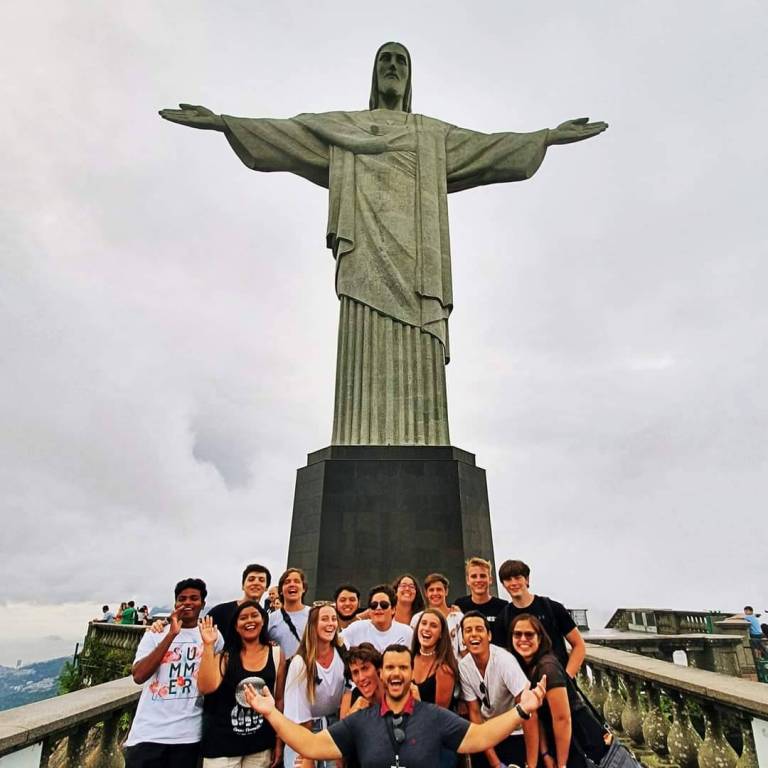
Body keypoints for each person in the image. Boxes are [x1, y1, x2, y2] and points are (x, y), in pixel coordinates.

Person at [160, 43, 607, 447]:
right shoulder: (343, 128)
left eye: (401, 61)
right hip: (365, 257)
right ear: (374, 73)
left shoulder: (431, 135)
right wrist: (222, 123)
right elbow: (285, 135)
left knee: (419, 346)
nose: (392, 67)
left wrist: (547, 137)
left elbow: (489, 149)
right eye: (385, 60)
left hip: (419, 265)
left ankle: (422, 438)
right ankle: (358, 435)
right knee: (362, 337)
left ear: (409, 77)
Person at [243, 644, 547, 768]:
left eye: (403, 667)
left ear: (411, 673)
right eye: (390, 667)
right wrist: (271, 712)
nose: (396, 673)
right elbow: (310, 744)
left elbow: (481, 737)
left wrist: (521, 710)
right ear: (382, 673)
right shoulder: (360, 720)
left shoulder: (435, 717)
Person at [124, 578, 224, 768]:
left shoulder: (213, 636)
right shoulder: (156, 633)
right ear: (175, 603)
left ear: (203, 604)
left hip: (188, 736)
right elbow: (139, 676)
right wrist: (171, 634)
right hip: (148, 734)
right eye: (182, 599)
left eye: (194, 598)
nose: (187, 603)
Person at [510, 614, 608, 768]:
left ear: (540, 638)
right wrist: (545, 753)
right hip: (560, 740)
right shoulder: (529, 667)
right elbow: (537, 717)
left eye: (529, 634)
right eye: (517, 634)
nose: (523, 639)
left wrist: (562, 764)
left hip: (579, 741)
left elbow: (562, 719)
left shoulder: (548, 668)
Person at [197, 601, 285, 768]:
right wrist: (208, 645)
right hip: (222, 747)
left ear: (263, 621)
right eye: (243, 618)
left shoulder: (276, 654)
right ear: (236, 626)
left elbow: (279, 700)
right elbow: (205, 687)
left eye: (254, 615)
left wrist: (279, 740)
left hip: (260, 746)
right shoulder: (225, 656)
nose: (249, 620)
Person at [460, 611, 539, 768]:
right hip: (487, 731)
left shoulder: (504, 661)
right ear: (462, 639)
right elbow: (474, 712)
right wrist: (494, 762)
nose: (474, 634)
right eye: (468, 630)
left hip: (514, 732)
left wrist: (531, 764)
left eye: (479, 629)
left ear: (489, 636)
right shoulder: (464, 666)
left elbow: (529, 712)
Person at [493, 560, 586, 679]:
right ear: (503, 584)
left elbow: (578, 645)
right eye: (508, 579)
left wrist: (567, 678)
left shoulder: (552, 608)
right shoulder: (503, 618)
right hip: (525, 685)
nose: (513, 583)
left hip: (557, 681)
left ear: (527, 580)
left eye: (518, 578)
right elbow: (501, 658)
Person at [283, 603, 346, 768]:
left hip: (334, 730)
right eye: (324, 619)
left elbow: (348, 692)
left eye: (334, 619)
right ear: (313, 625)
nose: (331, 624)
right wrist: (307, 755)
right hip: (303, 731)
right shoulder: (300, 662)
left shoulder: (342, 654)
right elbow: (298, 713)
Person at [208, 564, 273, 643]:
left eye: (261, 580)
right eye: (251, 579)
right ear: (243, 586)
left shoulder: (264, 616)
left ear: (266, 588)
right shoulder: (220, 611)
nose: (256, 583)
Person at [341, 585, 413, 652]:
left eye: (384, 605)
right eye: (374, 605)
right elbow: (337, 641)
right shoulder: (356, 628)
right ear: (369, 610)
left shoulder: (407, 632)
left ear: (393, 609)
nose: (378, 608)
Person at [411, 608, 458, 709]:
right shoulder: (408, 659)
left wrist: (417, 700)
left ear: (441, 634)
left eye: (433, 626)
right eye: (424, 623)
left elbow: (440, 714)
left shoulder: (444, 669)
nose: (427, 628)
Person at [411, 574, 464, 657]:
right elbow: (414, 649)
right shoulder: (417, 619)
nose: (435, 593)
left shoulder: (458, 617)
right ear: (426, 593)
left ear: (446, 591)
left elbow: (464, 650)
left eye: (439, 589)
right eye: (431, 590)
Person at [268, 568, 311, 660]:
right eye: (287, 582)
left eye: (297, 581)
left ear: (304, 588)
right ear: (281, 591)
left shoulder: (314, 615)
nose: (292, 584)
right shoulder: (271, 619)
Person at [455, 557, 507, 627]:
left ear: (490, 579)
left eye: (482, 576)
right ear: (468, 580)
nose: (478, 580)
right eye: (474, 576)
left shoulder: (503, 607)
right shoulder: (460, 605)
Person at [340, 643, 385, 718]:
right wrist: (352, 715)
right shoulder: (353, 697)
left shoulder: (393, 690)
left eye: (365, 668)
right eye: (355, 672)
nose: (361, 678)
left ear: (378, 669)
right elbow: (343, 724)